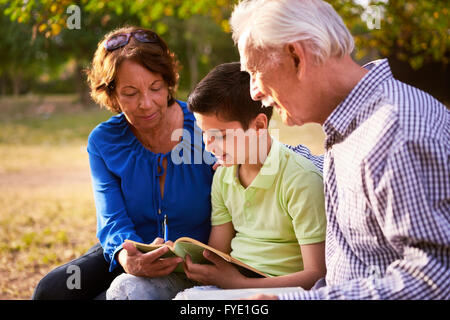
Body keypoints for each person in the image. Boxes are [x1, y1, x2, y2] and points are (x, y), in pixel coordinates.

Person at [229, 0, 450, 299]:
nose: (254, 90)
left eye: (255, 71)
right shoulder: (349, 127)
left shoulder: (395, 132)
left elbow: (436, 281)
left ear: (296, 56)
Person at [32, 26, 215, 300]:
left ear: (168, 83)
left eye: (155, 88)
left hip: (191, 263)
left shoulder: (208, 129)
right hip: (128, 251)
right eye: (130, 93)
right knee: (51, 291)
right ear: (112, 94)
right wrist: (125, 256)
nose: (146, 103)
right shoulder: (104, 141)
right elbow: (111, 218)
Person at [177, 61, 327, 294]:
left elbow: (317, 275)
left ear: (259, 125)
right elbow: (217, 253)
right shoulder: (224, 176)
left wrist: (240, 285)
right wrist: (180, 258)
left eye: (221, 135)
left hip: (283, 293)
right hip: (232, 287)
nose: (208, 144)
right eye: (204, 133)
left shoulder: (301, 179)